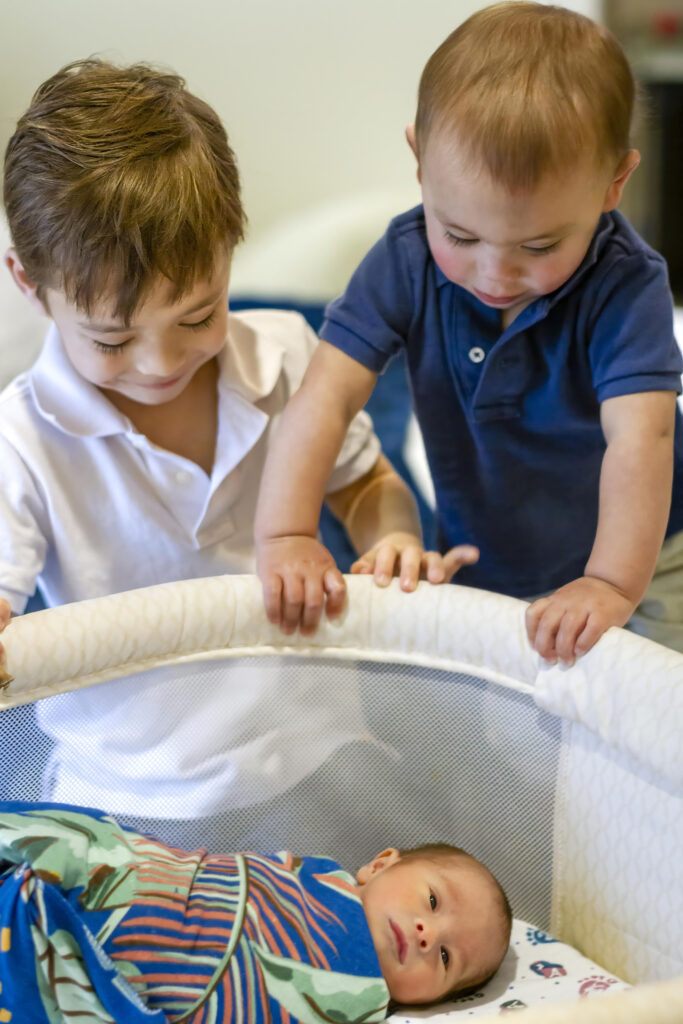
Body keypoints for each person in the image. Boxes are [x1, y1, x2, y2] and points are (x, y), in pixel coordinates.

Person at [0, 60, 468, 818]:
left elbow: (369, 486)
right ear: (29, 284)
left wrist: (391, 544)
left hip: (315, 747)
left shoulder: (282, 358)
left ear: (229, 252)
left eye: (196, 316)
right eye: (112, 339)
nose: (162, 365)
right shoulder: (20, 440)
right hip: (127, 791)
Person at [255, 1, 683, 663]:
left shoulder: (626, 286)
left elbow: (642, 436)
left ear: (612, 184)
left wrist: (607, 583)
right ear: (419, 162)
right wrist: (285, 533)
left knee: (653, 714)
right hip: (484, 547)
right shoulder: (402, 259)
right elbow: (325, 397)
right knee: (506, 734)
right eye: (458, 234)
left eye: (538, 245)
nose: (495, 272)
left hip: (647, 554)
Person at [0, 801, 512, 1021]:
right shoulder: (311, 875)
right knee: (86, 848)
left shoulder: (360, 1005)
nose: (428, 934)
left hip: (104, 975)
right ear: (379, 865)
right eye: (432, 901)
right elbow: (212, 873)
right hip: (144, 885)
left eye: (446, 959)